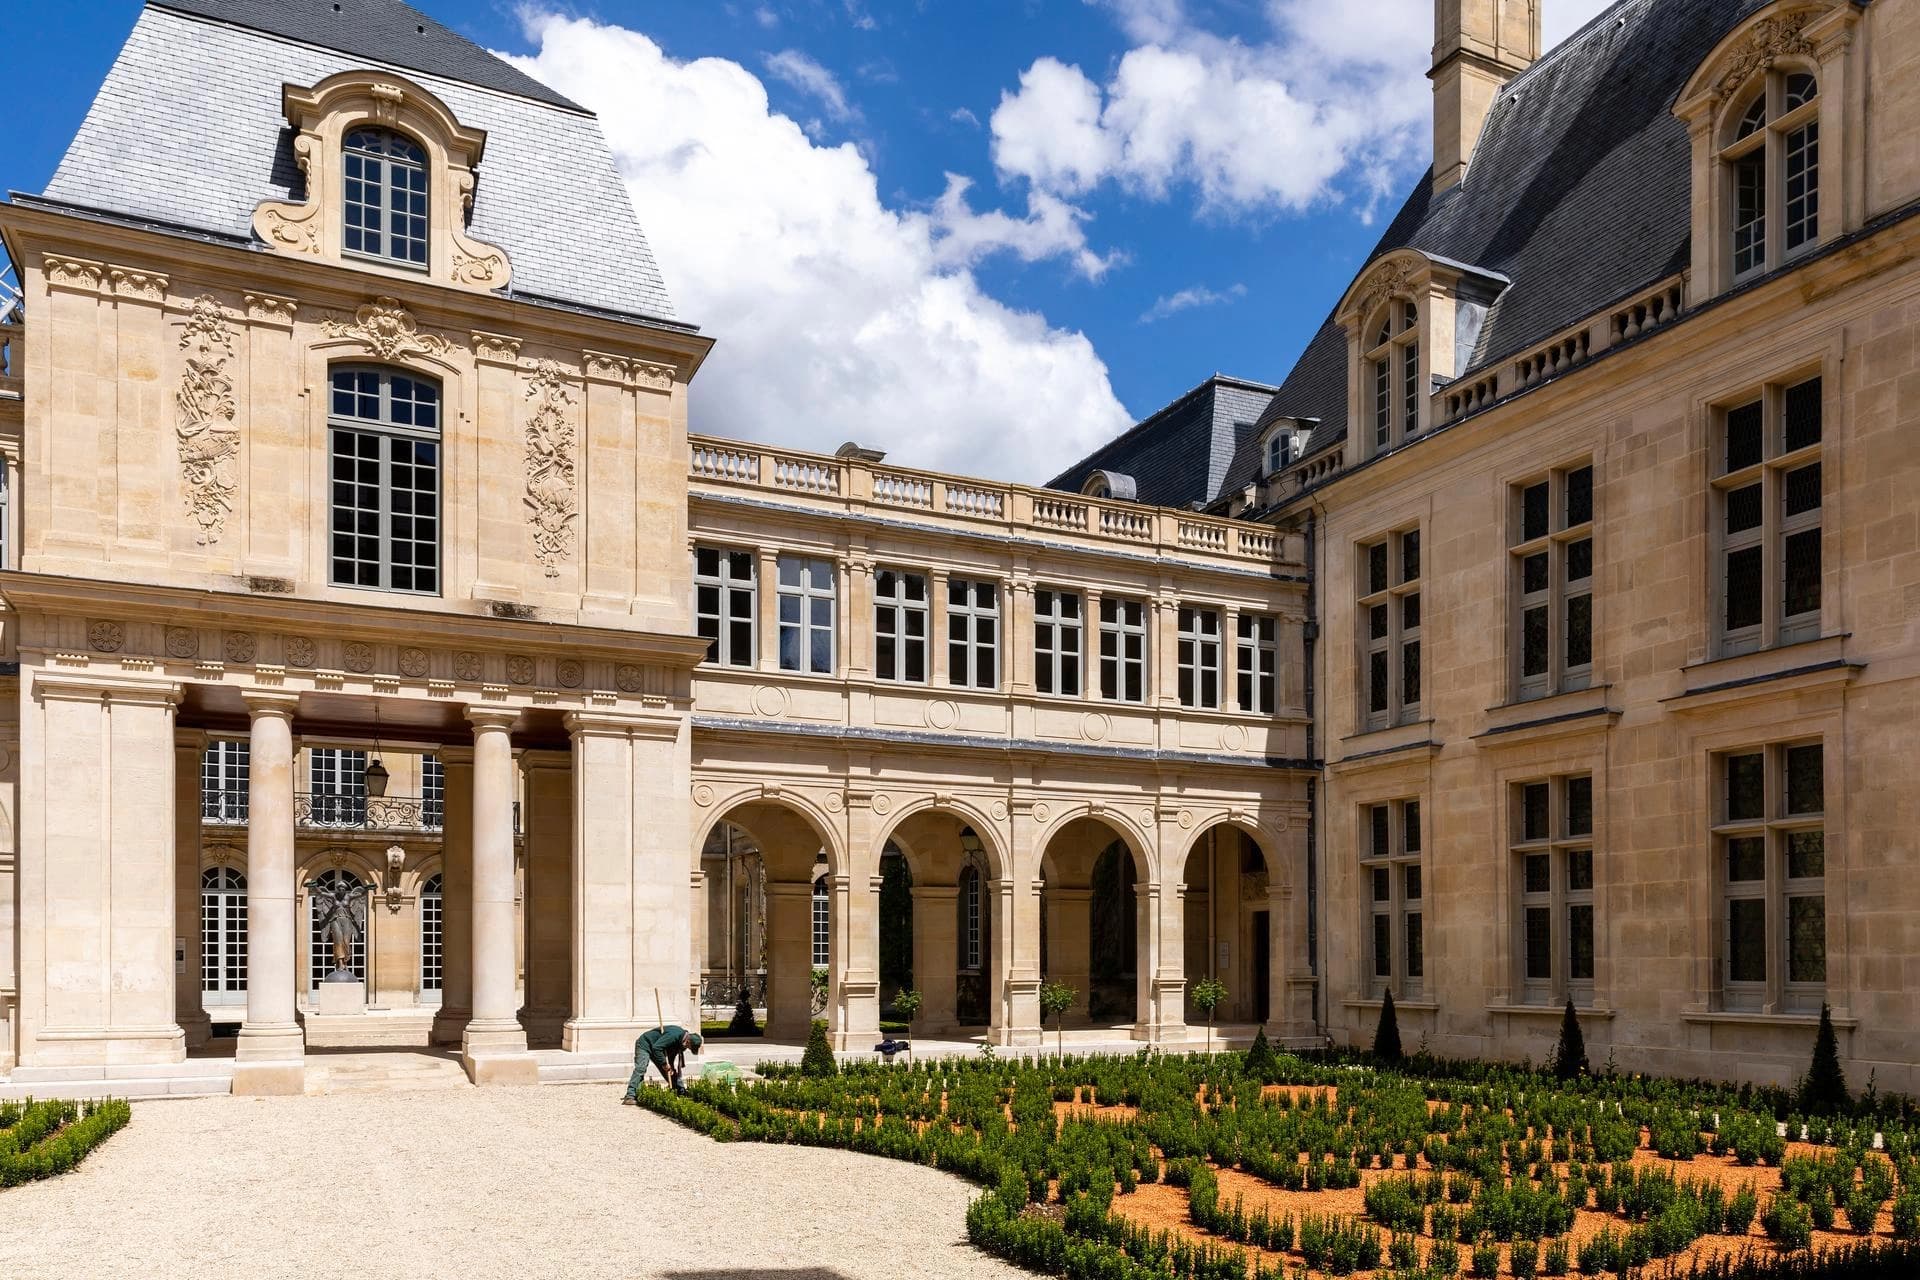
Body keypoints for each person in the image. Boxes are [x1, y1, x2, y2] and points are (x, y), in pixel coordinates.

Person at [621, 1024, 703, 1103]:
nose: (688, 1049)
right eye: (690, 1047)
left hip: (658, 1048)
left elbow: (671, 1055)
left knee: (669, 1071)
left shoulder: (682, 1043)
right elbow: (657, 1048)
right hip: (645, 1044)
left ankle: (680, 1091)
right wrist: (664, 1063)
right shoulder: (673, 1036)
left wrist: (669, 1066)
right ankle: (630, 1096)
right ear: (688, 1041)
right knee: (641, 1069)